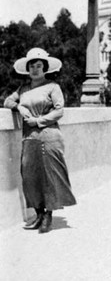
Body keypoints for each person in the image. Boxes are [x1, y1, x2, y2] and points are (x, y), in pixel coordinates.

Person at [4, 48, 76, 233]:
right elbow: (7, 102)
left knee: (49, 175)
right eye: (32, 66)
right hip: (29, 138)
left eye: (38, 66)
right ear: (27, 69)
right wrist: (19, 107)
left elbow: (59, 110)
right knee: (29, 176)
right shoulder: (23, 89)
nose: (35, 69)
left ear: (45, 68)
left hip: (49, 135)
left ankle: (48, 217)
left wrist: (38, 120)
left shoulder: (53, 87)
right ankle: (38, 213)